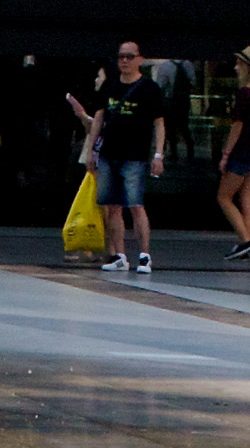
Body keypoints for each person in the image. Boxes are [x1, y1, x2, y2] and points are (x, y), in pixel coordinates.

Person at [83, 39, 165, 273]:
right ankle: (119, 254)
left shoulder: (149, 88)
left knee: (136, 205)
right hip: (109, 154)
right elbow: (99, 118)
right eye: (121, 57)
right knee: (112, 206)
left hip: (135, 156)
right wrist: (91, 152)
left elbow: (159, 123)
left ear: (140, 59)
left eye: (130, 56)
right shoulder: (109, 86)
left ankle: (145, 254)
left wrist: (158, 154)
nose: (125, 61)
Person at [216, 45, 250, 258]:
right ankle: (243, 245)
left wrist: (225, 154)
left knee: (223, 197)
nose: (236, 67)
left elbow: (237, 126)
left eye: (239, 64)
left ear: (249, 67)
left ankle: (246, 240)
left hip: (243, 152)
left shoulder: (245, 93)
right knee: (247, 199)